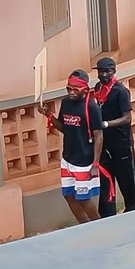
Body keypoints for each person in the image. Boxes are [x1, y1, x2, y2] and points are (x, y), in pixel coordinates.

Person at [41, 70, 103, 224]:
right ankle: (84, 226)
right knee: (68, 195)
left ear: (85, 89)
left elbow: (99, 136)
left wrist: (95, 164)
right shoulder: (66, 103)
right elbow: (64, 128)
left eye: (75, 89)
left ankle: (99, 225)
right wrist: (49, 115)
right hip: (67, 159)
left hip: (84, 161)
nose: (71, 92)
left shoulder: (91, 107)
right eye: (69, 88)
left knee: (83, 198)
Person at [92, 57, 135, 214]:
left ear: (114, 72)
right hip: (104, 143)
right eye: (101, 72)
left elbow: (127, 118)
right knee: (106, 180)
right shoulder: (98, 87)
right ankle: (107, 214)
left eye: (108, 71)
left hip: (121, 142)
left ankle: (131, 210)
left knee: (126, 180)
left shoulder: (121, 91)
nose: (104, 75)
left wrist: (106, 124)